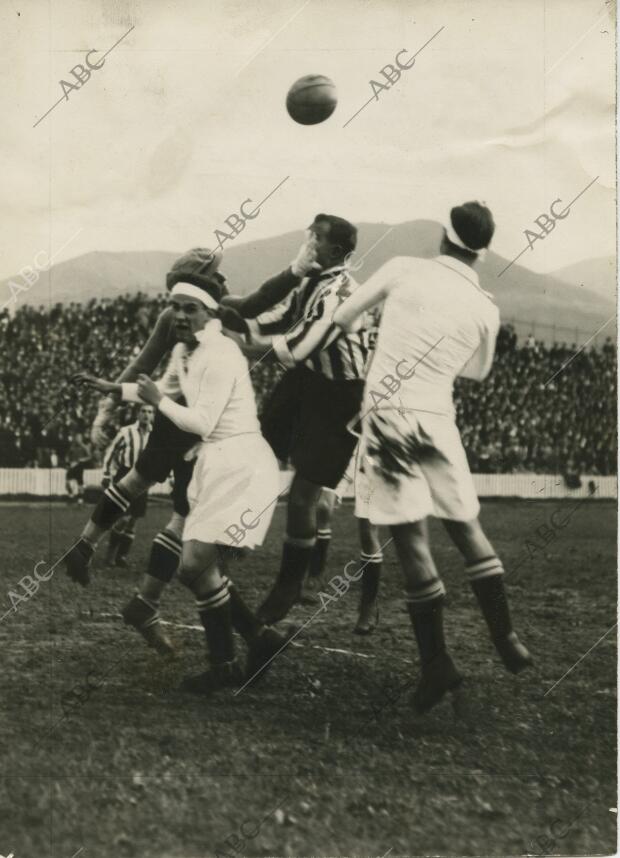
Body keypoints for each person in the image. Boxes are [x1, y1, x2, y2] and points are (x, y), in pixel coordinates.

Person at [333, 201, 533, 714]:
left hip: (391, 412)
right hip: (438, 418)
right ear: (482, 252)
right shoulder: (486, 305)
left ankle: (437, 663)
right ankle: (505, 634)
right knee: (466, 527)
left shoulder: (403, 268)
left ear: (443, 237)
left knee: (409, 536)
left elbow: (342, 318)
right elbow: (478, 372)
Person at [64, 248, 287, 670]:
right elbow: (154, 372)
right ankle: (239, 640)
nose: (180, 313)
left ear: (206, 307)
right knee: (188, 543)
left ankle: (149, 599)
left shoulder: (214, 342)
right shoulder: (192, 334)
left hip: (215, 442)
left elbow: (173, 391)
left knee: (188, 544)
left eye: (189, 307)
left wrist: (297, 271)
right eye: (176, 305)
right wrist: (113, 393)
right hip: (193, 432)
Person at [220, 214, 371, 627]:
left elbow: (299, 345)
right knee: (258, 455)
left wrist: (243, 344)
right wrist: (229, 315)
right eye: (308, 233)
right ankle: (232, 541)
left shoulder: (342, 293)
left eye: (317, 238)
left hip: (340, 393)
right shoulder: (309, 281)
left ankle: (290, 585)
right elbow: (273, 317)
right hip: (306, 381)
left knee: (304, 493)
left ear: (337, 251)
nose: (308, 242)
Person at [101, 404, 154, 567]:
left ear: (153, 415)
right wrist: (106, 474)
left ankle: (122, 557)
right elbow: (111, 452)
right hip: (125, 475)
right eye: (143, 411)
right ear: (137, 414)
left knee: (133, 520)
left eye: (150, 412)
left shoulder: (155, 435)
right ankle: (110, 556)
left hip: (143, 477)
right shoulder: (126, 431)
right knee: (123, 518)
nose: (146, 415)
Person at [65, 432, 91, 503]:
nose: (78, 439)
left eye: (79, 438)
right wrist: (68, 462)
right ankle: (71, 495)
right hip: (72, 465)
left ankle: (80, 498)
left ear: (81, 439)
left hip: (80, 466)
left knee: (80, 482)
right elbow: (67, 455)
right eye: (77, 438)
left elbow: (89, 457)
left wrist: (82, 460)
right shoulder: (72, 446)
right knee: (67, 480)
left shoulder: (84, 447)